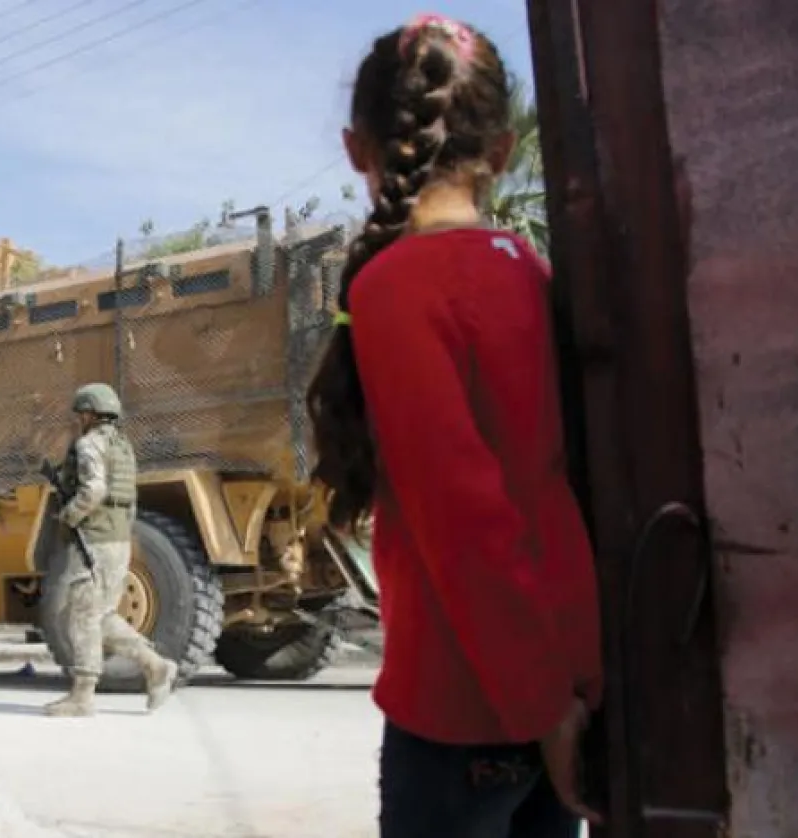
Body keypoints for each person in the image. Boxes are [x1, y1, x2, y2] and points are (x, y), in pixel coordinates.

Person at [303, 15, 604, 837]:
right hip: (565, 683)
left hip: (466, 709)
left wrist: (541, 706)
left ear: (356, 148)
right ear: (503, 152)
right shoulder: (533, 273)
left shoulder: (394, 289)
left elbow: (466, 522)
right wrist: (560, 699)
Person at [44, 383, 178, 717]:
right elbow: (128, 498)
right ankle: (155, 666)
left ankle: (83, 695)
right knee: (101, 614)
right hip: (117, 538)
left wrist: (69, 516)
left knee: (83, 614)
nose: (79, 420)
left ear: (90, 413)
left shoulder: (90, 444)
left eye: (81, 414)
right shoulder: (123, 447)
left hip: (95, 539)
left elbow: (93, 491)